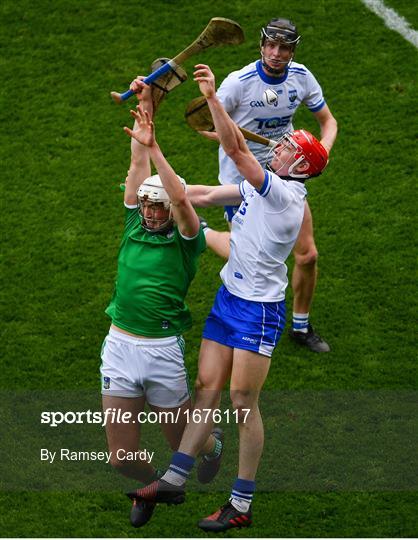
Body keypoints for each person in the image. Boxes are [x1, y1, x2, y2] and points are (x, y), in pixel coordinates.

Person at [132, 64, 329, 532]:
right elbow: (199, 194)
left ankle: (241, 504)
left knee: (242, 402)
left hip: (259, 311)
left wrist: (212, 99)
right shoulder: (260, 185)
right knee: (206, 390)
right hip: (229, 298)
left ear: (300, 166)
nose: (277, 147)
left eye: (286, 148)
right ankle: (174, 479)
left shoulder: (283, 193)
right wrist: (154, 163)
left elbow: (237, 149)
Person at [100, 78, 223, 528]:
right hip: (119, 346)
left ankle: (215, 446)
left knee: (185, 444)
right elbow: (137, 167)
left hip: (161, 352)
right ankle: (153, 485)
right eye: (147, 206)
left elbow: (179, 198)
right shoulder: (133, 222)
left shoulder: (186, 238)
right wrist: (147, 104)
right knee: (120, 459)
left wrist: (157, 153)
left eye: (159, 207)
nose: (151, 212)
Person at [202, 17, 338, 352]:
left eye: (285, 47)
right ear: (262, 46)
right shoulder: (238, 83)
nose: (277, 53)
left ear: (293, 50)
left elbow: (328, 121)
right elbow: (206, 125)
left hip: (286, 173)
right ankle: (201, 232)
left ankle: (301, 327)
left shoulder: (302, 77)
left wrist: (320, 153)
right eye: (271, 46)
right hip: (243, 179)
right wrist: (225, 133)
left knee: (307, 255)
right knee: (246, 255)